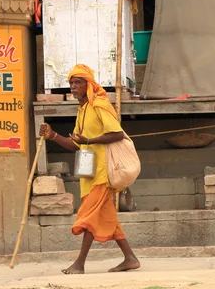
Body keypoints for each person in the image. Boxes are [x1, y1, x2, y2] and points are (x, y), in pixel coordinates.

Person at [38, 64, 140, 274]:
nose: (73, 87)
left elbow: (117, 133)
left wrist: (90, 140)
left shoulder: (100, 105)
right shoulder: (82, 110)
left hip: (104, 172)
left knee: (88, 217)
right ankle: (130, 258)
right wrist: (52, 136)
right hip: (89, 174)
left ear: (89, 84)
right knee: (106, 217)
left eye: (78, 83)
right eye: (71, 83)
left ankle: (79, 264)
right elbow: (76, 144)